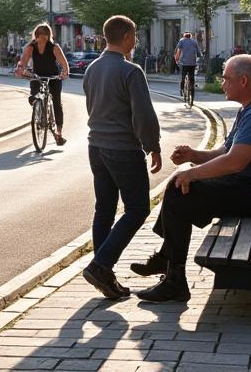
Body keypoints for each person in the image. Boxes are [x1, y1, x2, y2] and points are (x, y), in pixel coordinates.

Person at [132, 54, 251, 303]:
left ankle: (174, 278)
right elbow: (226, 152)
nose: (222, 83)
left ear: (243, 81)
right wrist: (194, 156)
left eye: (226, 79)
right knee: (179, 187)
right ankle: (167, 262)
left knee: (180, 191)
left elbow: (234, 163)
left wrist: (191, 173)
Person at [80, 15, 162, 300]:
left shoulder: (91, 68)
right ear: (126, 37)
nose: (136, 41)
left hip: (96, 147)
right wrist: (154, 147)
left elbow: (92, 106)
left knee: (104, 208)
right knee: (138, 209)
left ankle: (103, 272)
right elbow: (144, 116)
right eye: (135, 36)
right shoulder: (131, 71)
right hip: (123, 149)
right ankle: (101, 265)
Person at [13, 23, 71, 146]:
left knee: (56, 103)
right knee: (34, 93)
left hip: (53, 78)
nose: (42, 38)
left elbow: (63, 62)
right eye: (40, 35)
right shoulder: (31, 47)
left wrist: (65, 72)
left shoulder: (54, 47)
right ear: (36, 35)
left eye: (45, 36)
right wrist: (20, 69)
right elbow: (23, 61)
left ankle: (58, 133)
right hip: (38, 76)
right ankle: (36, 104)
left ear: (48, 36)